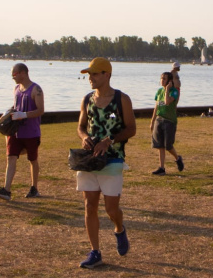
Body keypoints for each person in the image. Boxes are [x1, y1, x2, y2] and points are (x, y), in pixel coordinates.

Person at [75, 58, 136, 269]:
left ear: (107, 75)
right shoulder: (87, 99)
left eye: (94, 74)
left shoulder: (121, 99)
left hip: (112, 159)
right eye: (89, 74)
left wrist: (109, 140)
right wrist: (84, 137)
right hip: (90, 160)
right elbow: (81, 126)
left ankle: (119, 228)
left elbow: (131, 129)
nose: (90, 78)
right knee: (90, 206)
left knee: (111, 209)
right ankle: (95, 252)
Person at [0, 63, 45, 201]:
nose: (13, 77)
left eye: (14, 74)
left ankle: (34, 188)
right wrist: (6, 114)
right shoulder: (16, 89)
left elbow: (40, 110)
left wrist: (24, 115)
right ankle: (6, 190)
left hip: (31, 132)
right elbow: (15, 106)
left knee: (32, 160)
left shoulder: (36, 89)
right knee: (11, 157)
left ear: (23, 73)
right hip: (15, 131)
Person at [149, 72, 184, 176]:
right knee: (160, 145)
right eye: (161, 78)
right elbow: (156, 106)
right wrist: (152, 121)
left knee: (168, 146)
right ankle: (162, 168)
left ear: (169, 81)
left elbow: (167, 101)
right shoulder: (159, 91)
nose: (162, 80)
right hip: (159, 120)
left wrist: (167, 89)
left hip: (169, 121)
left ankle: (177, 158)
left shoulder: (174, 92)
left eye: (164, 79)